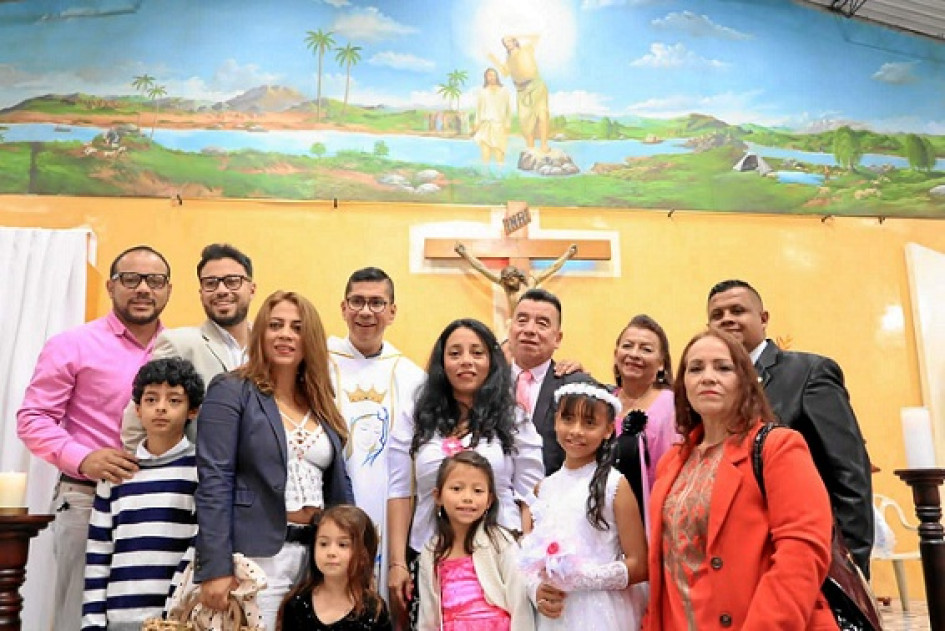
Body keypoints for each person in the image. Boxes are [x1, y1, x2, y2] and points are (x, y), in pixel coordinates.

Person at [17, 244, 172, 631]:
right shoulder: (72, 344)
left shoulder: (178, 349)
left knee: (153, 618)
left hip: (160, 504)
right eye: (130, 279)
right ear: (111, 286)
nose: (143, 288)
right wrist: (83, 458)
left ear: (168, 289)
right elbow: (33, 418)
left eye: (155, 281)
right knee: (79, 615)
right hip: (87, 498)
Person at [646, 329, 836, 630]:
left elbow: (802, 552)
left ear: (745, 381)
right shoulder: (672, 462)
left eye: (723, 368)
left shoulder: (778, 447)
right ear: (683, 385)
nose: (708, 377)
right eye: (695, 369)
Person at [194, 290, 354, 631]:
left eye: (297, 327)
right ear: (260, 333)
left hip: (316, 557)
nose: (285, 334)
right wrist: (215, 566)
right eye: (275, 325)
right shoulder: (232, 389)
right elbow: (214, 480)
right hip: (256, 559)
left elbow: (340, 485)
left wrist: (353, 554)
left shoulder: (320, 400)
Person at [706, 279, 873, 576]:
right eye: (717, 315)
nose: (727, 319)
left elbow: (849, 471)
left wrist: (850, 563)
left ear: (763, 318)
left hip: (805, 551)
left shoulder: (808, 373)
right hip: (739, 559)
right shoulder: (710, 387)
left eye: (737, 310)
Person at [387, 318, 544, 629]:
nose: (466, 361)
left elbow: (531, 495)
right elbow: (400, 491)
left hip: (500, 556)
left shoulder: (514, 417)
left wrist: (529, 558)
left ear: (491, 361)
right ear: (441, 362)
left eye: (477, 352)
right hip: (431, 553)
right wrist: (397, 563)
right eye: (455, 353)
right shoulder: (416, 415)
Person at [81, 357, 204, 631]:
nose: (161, 407)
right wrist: (92, 623)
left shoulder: (201, 472)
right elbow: (99, 552)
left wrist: (176, 609)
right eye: (151, 399)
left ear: (193, 411)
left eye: (174, 400)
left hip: (178, 620)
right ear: (138, 409)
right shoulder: (117, 473)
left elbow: (200, 547)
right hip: (120, 619)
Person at [328, 267, 426, 601]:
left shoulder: (413, 378)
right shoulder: (318, 364)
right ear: (343, 308)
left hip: (390, 513)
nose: (366, 312)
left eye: (376, 303)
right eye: (357, 301)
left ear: (392, 311)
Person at [522, 380, 648, 631]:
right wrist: (537, 589)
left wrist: (578, 579)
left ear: (608, 429)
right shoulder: (543, 488)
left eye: (589, 423)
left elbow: (639, 565)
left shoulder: (615, 486)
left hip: (600, 612)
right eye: (568, 419)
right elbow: (530, 558)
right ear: (555, 421)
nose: (576, 431)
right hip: (555, 614)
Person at [122, 242, 256, 449]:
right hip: (199, 467)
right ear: (201, 292)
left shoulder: (269, 343)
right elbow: (136, 421)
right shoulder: (179, 344)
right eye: (211, 283)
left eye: (232, 281)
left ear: (252, 289)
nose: (221, 290)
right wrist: (147, 466)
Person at [418, 451, 534, 631]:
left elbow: (519, 602)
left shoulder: (501, 542)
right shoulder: (431, 552)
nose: (467, 497)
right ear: (438, 496)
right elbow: (428, 615)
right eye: (457, 488)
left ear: (489, 500)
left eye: (478, 491)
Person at [507, 288, 589, 474]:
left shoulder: (576, 387)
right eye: (522, 321)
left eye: (542, 324)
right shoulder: (486, 383)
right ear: (510, 329)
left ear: (557, 338)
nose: (529, 330)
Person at [610, 314, 679, 527]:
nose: (634, 354)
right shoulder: (604, 403)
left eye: (646, 349)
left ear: (661, 364)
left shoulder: (672, 405)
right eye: (627, 346)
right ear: (616, 354)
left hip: (651, 519)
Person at [279, 505, 393, 631]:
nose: (331, 552)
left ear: (363, 554)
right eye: (323, 544)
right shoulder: (296, 604)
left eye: (342, 545)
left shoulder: (374, 610)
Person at [454, 243, 577, 320]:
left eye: (511, 278)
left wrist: (568, 254)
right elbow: (481, 268)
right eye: (506, 280)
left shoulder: (530, 283)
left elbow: (552, 268)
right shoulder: (506, 287)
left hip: (531, 320)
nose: (509, 282)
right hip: (515, 322)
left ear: (518, 276)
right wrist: (465, 253)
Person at [489, 34, 550, 152]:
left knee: (542, 114)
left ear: (514, 40)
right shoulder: (508, 59)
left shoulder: (526, 49)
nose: (507, 44)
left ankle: (544, 145)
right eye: (505, 43)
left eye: (509, 41)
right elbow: (505, 73)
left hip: (536, 86)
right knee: (525, 122)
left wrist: (517, 34)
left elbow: (536, 37)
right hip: (521, 91)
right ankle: (531, 148)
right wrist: (494, 60)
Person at [472, 68, 512, 166]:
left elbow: (508, 109)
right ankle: (485, 172)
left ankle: (500, 172)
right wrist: (476, 123)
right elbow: (478, 109)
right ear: (486, 77)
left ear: (496, 76)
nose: (492, 77)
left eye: (493, 75)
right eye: (489, 75)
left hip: (499, 126)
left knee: (499, 152)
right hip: (485, 125)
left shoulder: (504, 90)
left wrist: (508, 124)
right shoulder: (482, 91)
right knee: (485, 153)